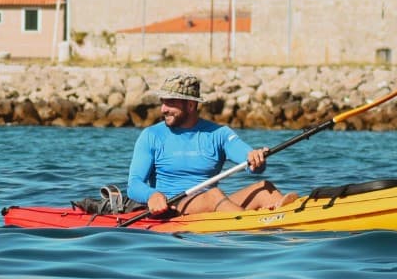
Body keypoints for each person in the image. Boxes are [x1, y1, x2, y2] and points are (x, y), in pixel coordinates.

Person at [126, 72, 297, 217]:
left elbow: (249, 159)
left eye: (170, 102)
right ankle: (251, 222)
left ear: (190, 105)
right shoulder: (151, 135)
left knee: (264, 189)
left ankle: (292, 223)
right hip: (172, 208)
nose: (163, 109)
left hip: (213, 204)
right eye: (163, 102)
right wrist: (152, 195)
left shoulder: (219, 134)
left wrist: (256, 159)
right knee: (213, 195)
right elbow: (134, 184)